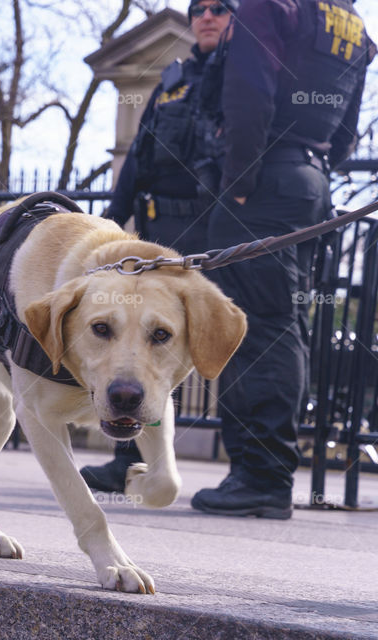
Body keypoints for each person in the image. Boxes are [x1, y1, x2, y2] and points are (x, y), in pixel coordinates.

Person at [192, 0, 373, 519]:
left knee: (255, 327)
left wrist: (242, 182)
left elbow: (249, 94)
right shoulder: (351, 22)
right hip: (306, 180)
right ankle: (262, 474)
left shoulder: (269, 5)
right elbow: (347, 127)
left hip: (264, 180)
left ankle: (260, 476)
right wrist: (311, 168)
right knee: (283, 322)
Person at [80, 0, 236, 493]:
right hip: (153, 237)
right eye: (199, 9)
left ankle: (237, 465)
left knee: (188, 350)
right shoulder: (170, 82)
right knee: (132, 347)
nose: (207, 16)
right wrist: (111, 221)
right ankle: (125, 457)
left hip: (210, 236)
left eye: (220, 8)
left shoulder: (242, 77)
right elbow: (138, 155)